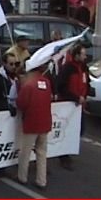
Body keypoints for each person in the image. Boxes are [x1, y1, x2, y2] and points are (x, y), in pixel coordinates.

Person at [16, 62, 53, 190]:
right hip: (45, 122)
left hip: (31, 123)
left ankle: (22, 177)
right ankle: (41, 180)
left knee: (25, 152)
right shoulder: (46, 82)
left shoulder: (28, 85)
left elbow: (21, 103)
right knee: (42, 152)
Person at [55, 43, 90, 171]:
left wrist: (85, 96)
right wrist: (75, 98)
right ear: (76, 55)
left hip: (79, 105)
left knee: (80, 129)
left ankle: (67, 150)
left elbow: (87, 83)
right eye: (83, 54)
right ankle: (64, 156)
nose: (85, 56)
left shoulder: (84, 67)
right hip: (68, 104)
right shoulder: (67, 69)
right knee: (66, 130)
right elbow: (61, 87)